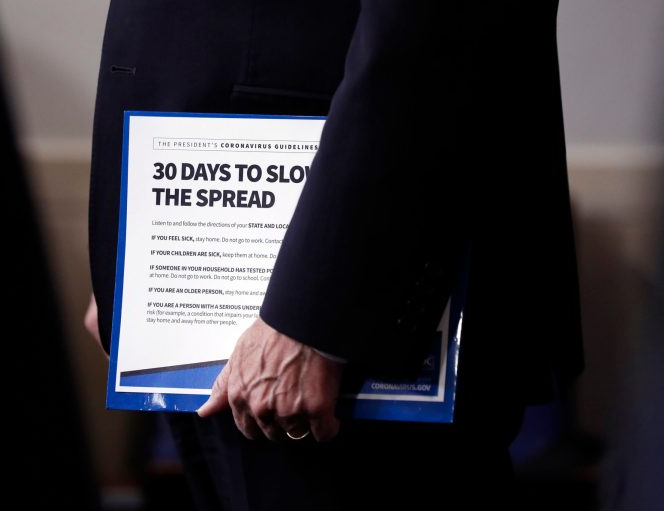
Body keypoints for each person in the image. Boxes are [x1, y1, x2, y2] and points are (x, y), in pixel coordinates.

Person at [87, 1, 583, 509]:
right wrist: (130, 252)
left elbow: (434, 29)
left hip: (337, 311)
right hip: (200, 272)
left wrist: (313, 316)